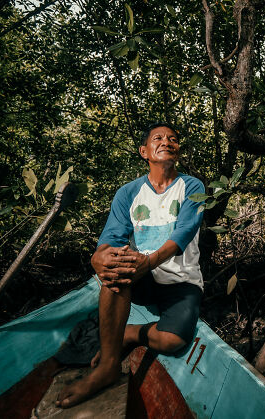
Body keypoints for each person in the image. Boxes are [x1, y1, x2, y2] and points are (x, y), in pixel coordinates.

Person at [56, 122, 205, 408]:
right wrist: (98, 257)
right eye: (158, 138)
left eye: (173, 139)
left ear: (178, 150)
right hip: (140, 275)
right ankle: (108, 367)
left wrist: (148, 262)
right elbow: (110, 239)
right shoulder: (128, 192)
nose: (167, 141)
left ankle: (129, 333)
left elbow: (183, 234)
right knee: (115, 267)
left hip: (181, 280)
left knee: (172, 341)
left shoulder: (192, 186)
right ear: (144, 151)